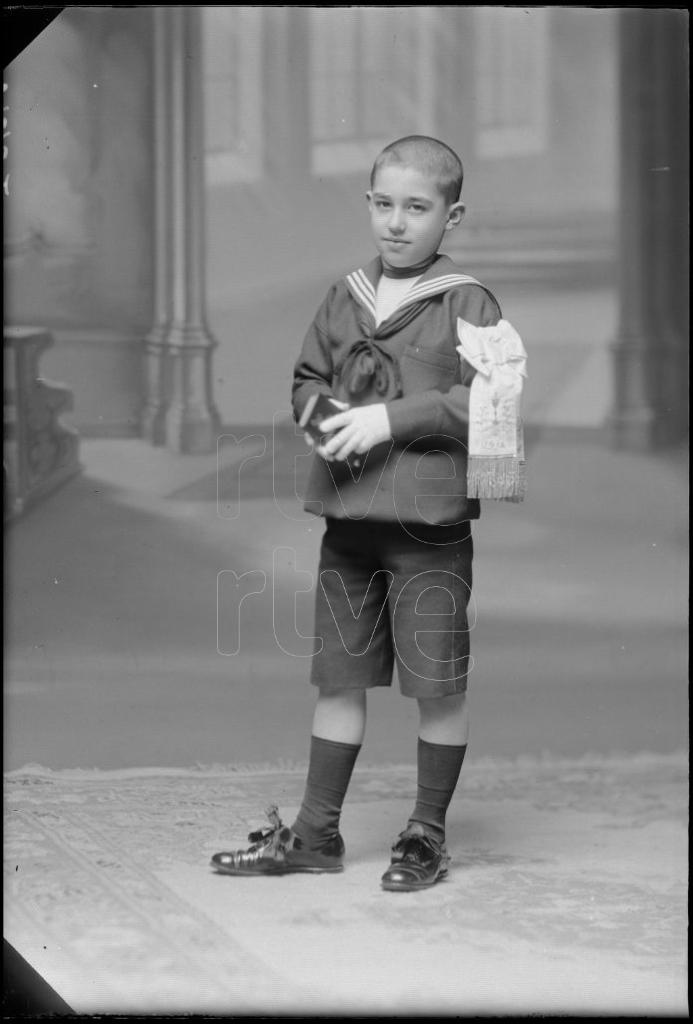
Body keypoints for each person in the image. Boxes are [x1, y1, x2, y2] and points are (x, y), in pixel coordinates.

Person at [212, 135, 524, 891]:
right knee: (338, 679)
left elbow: (491, 401)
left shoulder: (467, 300)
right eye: (383, 204)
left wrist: (388, 421)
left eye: (416, 208)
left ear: (451, 216)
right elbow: (305, 378)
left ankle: (424, 832)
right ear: (368, 205)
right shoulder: (342, 293)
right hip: (348, 525)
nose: (395, 222)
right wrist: (325, 416)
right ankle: (317, 834)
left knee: (435, 687)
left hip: (428, 532)